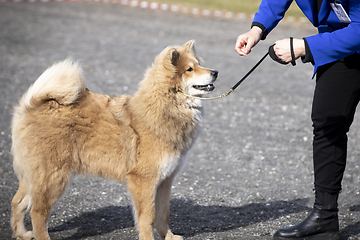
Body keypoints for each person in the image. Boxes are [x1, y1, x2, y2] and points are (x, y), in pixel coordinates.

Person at [235, 0, 360, 239]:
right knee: (327, 122)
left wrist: (305, 46)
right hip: (341, 40)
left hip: (355, 33)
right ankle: (325, 218)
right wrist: (257, 29)